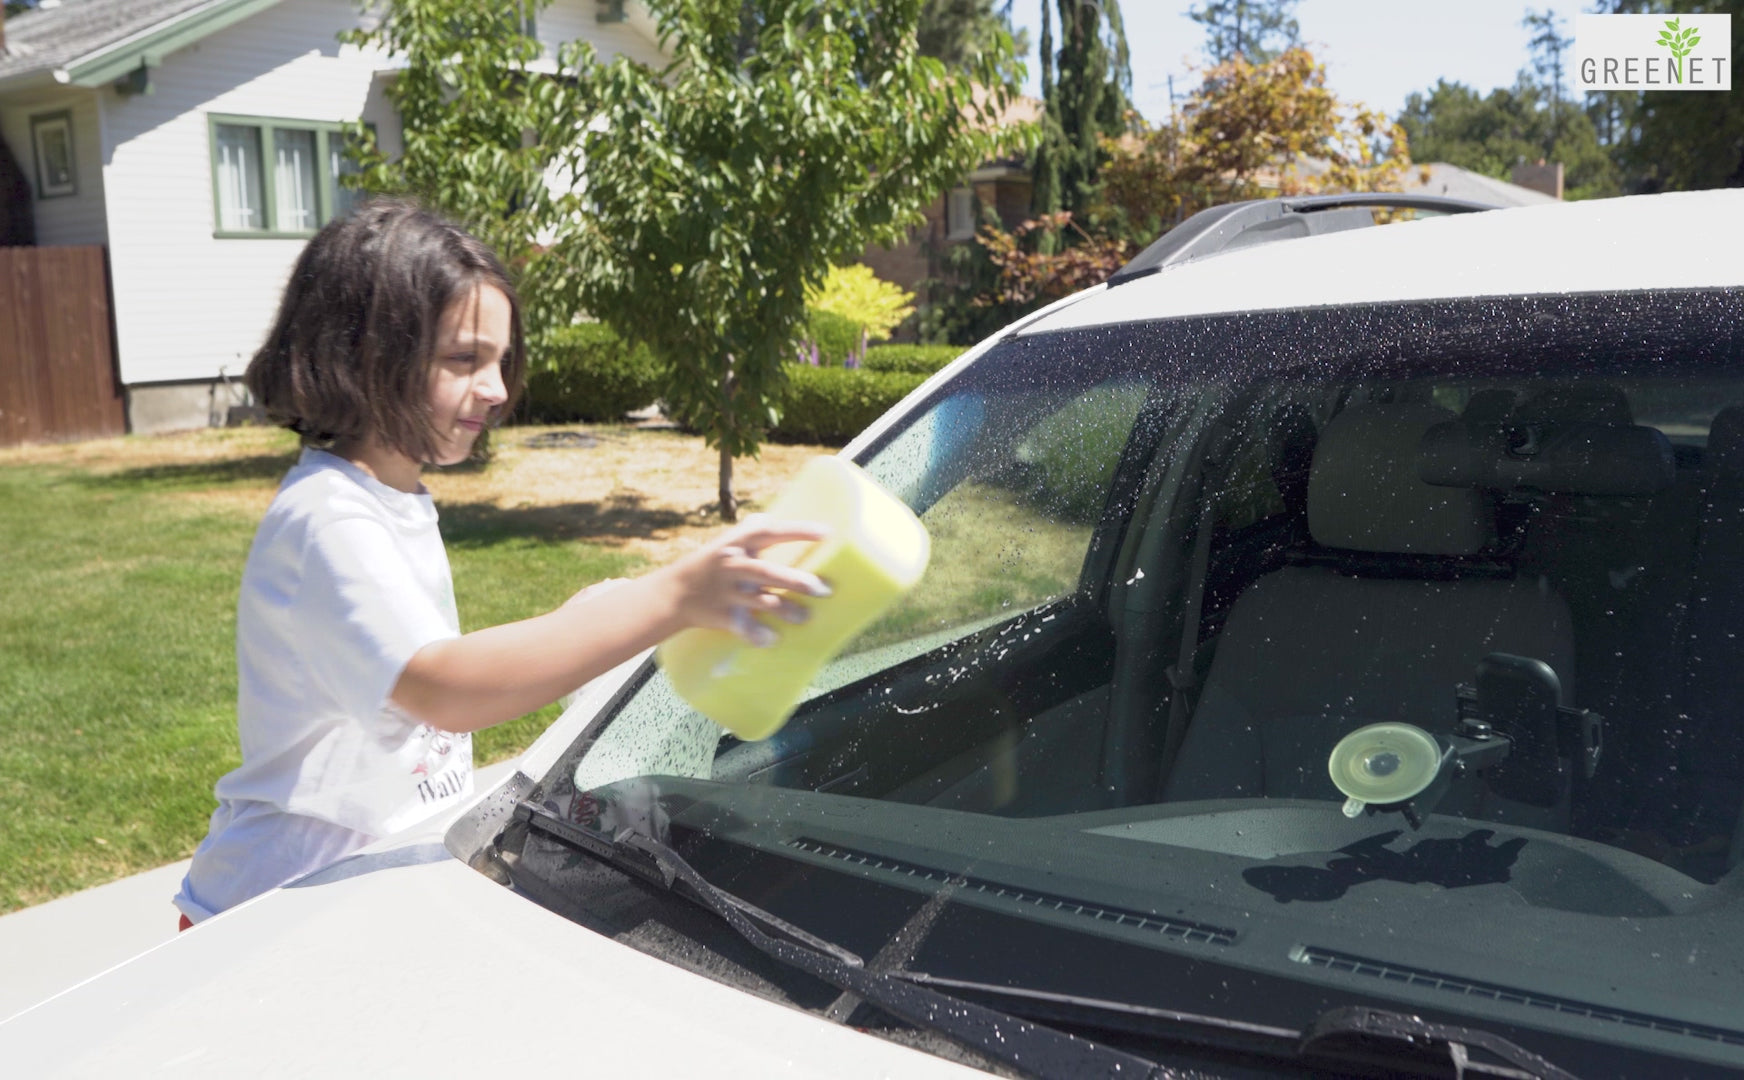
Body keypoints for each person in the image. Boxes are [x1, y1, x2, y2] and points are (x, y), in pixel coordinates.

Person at [172, 200, 829, 927]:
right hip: (267, 916)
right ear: (364, 352)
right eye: (463, 359)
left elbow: (434, 662)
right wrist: (670, 600)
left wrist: (582, 621)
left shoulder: (392, 498)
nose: (494, 387)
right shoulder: (326, 516)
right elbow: (442, 686)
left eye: (498, 360)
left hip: (353, 894)